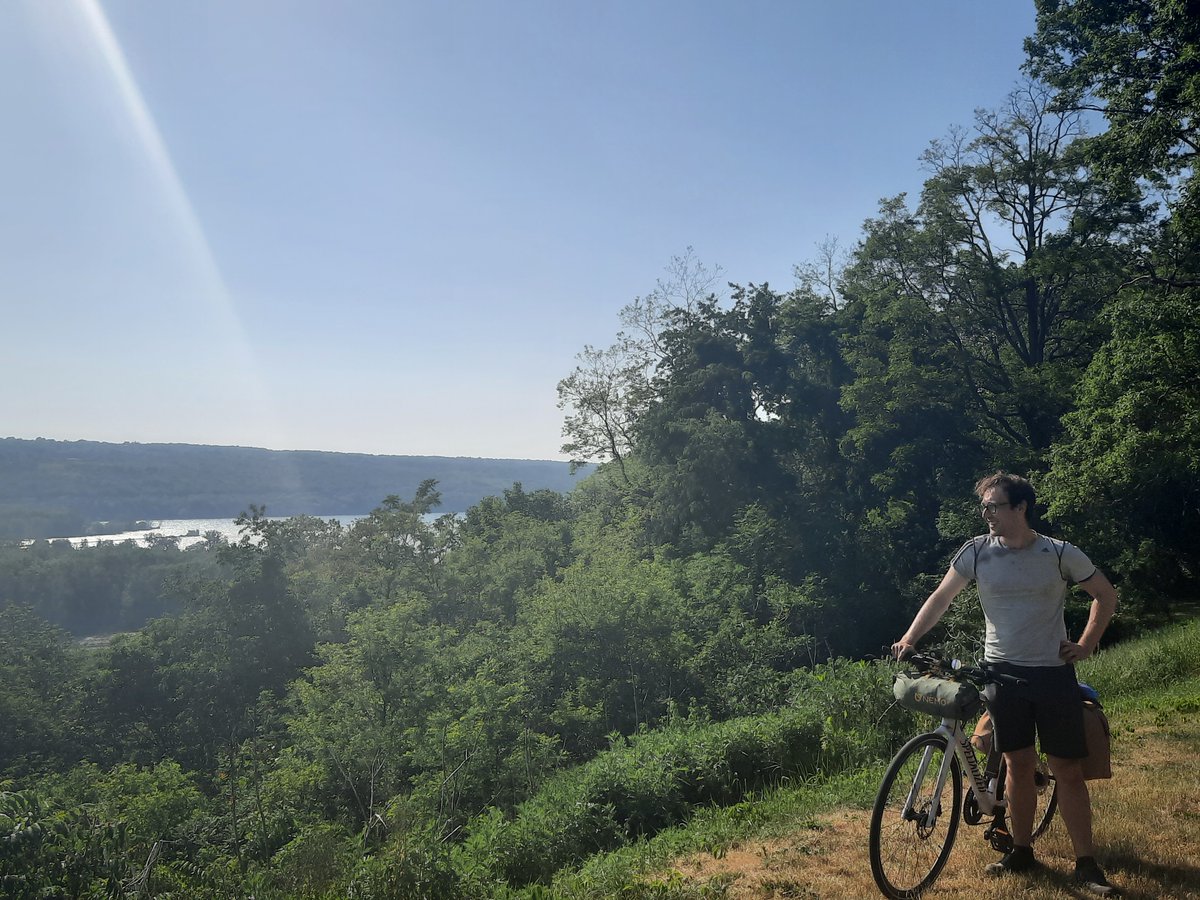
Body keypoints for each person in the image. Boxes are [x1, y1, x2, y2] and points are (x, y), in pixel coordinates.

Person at [891, 472, 1120, 896]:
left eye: (994, 506)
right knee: (1017, 764)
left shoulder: (1058, 553)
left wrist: (1086, 644)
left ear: (1020, 508)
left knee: (1066, 770)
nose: (986, 514)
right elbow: (941, 597)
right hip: (1000, 673)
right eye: (984, 507)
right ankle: (1021, 850)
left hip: (1052, 675)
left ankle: (1086, 865)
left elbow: (1104, 595)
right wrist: (910, 636)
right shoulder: (977, 552)